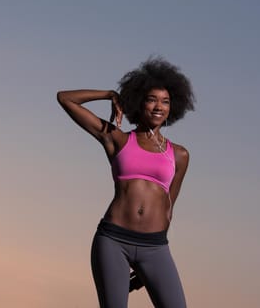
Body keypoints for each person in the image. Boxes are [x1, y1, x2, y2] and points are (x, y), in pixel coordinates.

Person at [57, 57, 195, 308]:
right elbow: (65, 98)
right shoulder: (117, 139)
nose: (158, 107)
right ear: (139, 102)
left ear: (172, 107)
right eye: (152, 99)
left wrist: (149, 268)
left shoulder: (179, 155)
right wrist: (110, 94)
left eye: (165, 101)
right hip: (113, 241)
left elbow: (168, 209)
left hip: (155, 248)